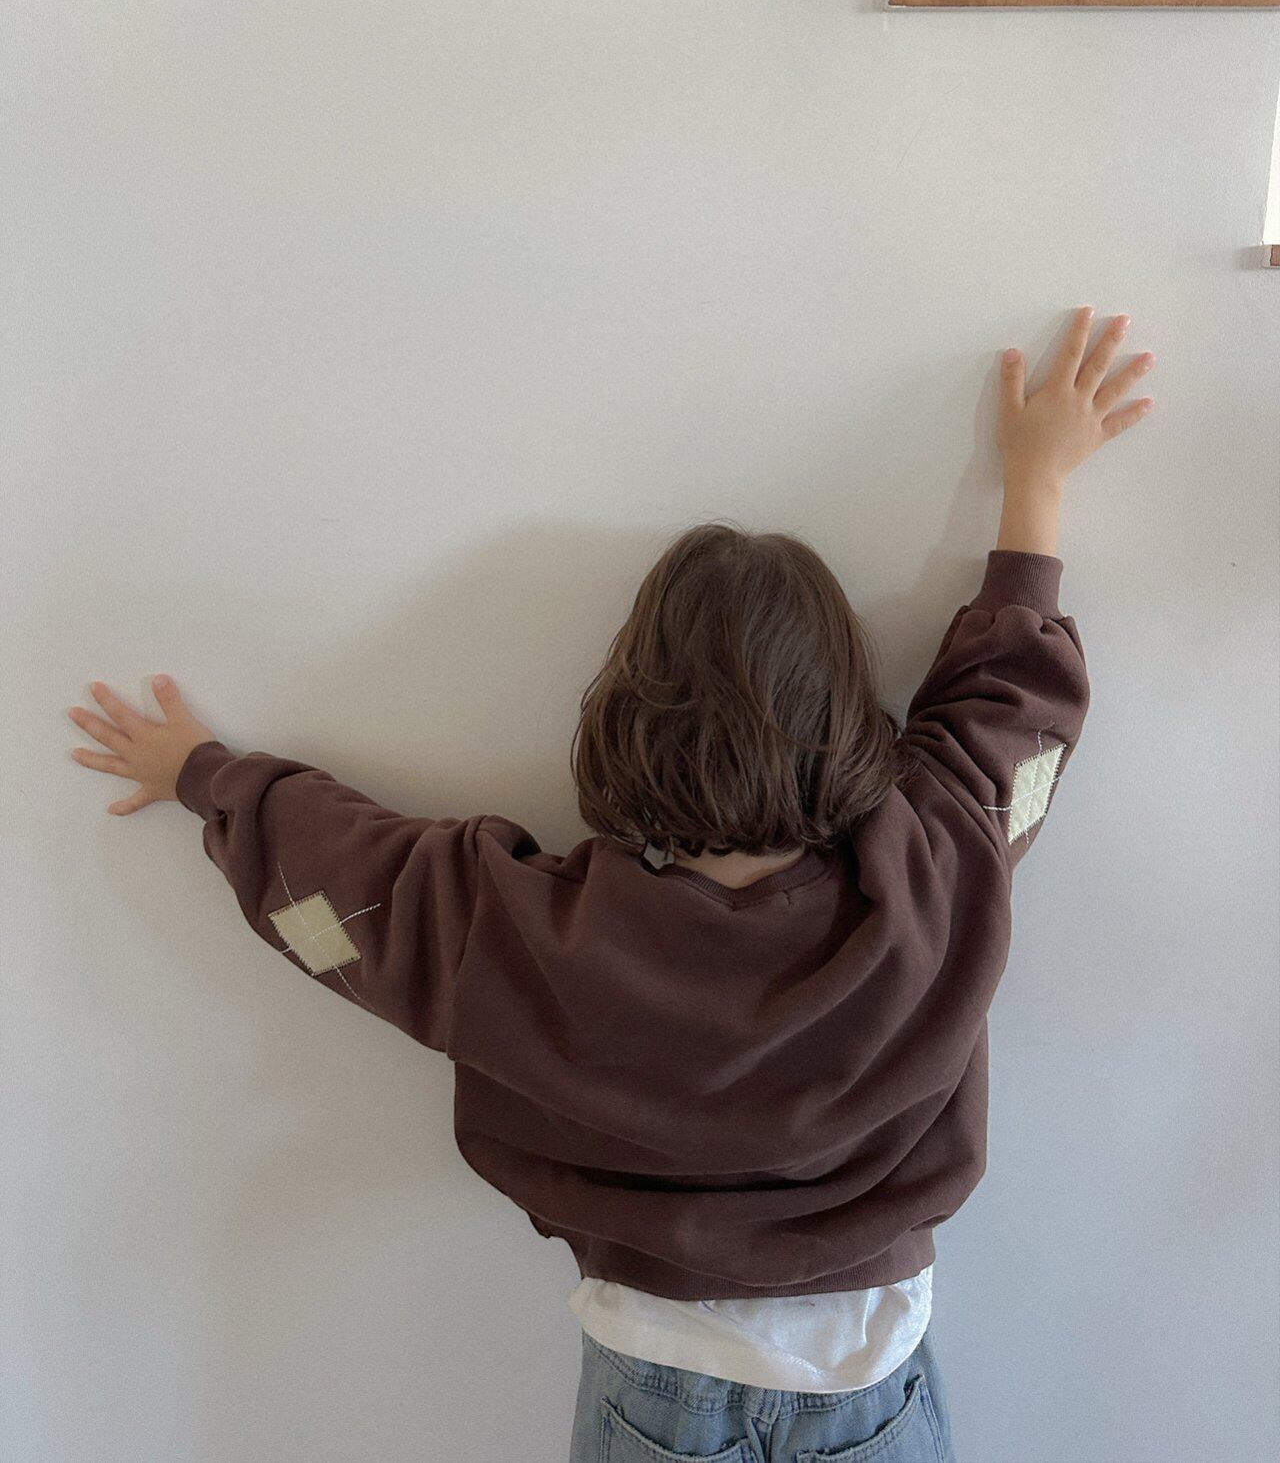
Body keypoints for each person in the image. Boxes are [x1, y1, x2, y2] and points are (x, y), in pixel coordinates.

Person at [66, 305, 1154, 1461]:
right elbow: (1015, 725)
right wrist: (1033, 486)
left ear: (625, 715)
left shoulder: (523, 939)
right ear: (846, 719)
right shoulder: (940, 869)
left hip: (653, 1386)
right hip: (868, 1385)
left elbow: (336, 907)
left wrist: (204, 776)